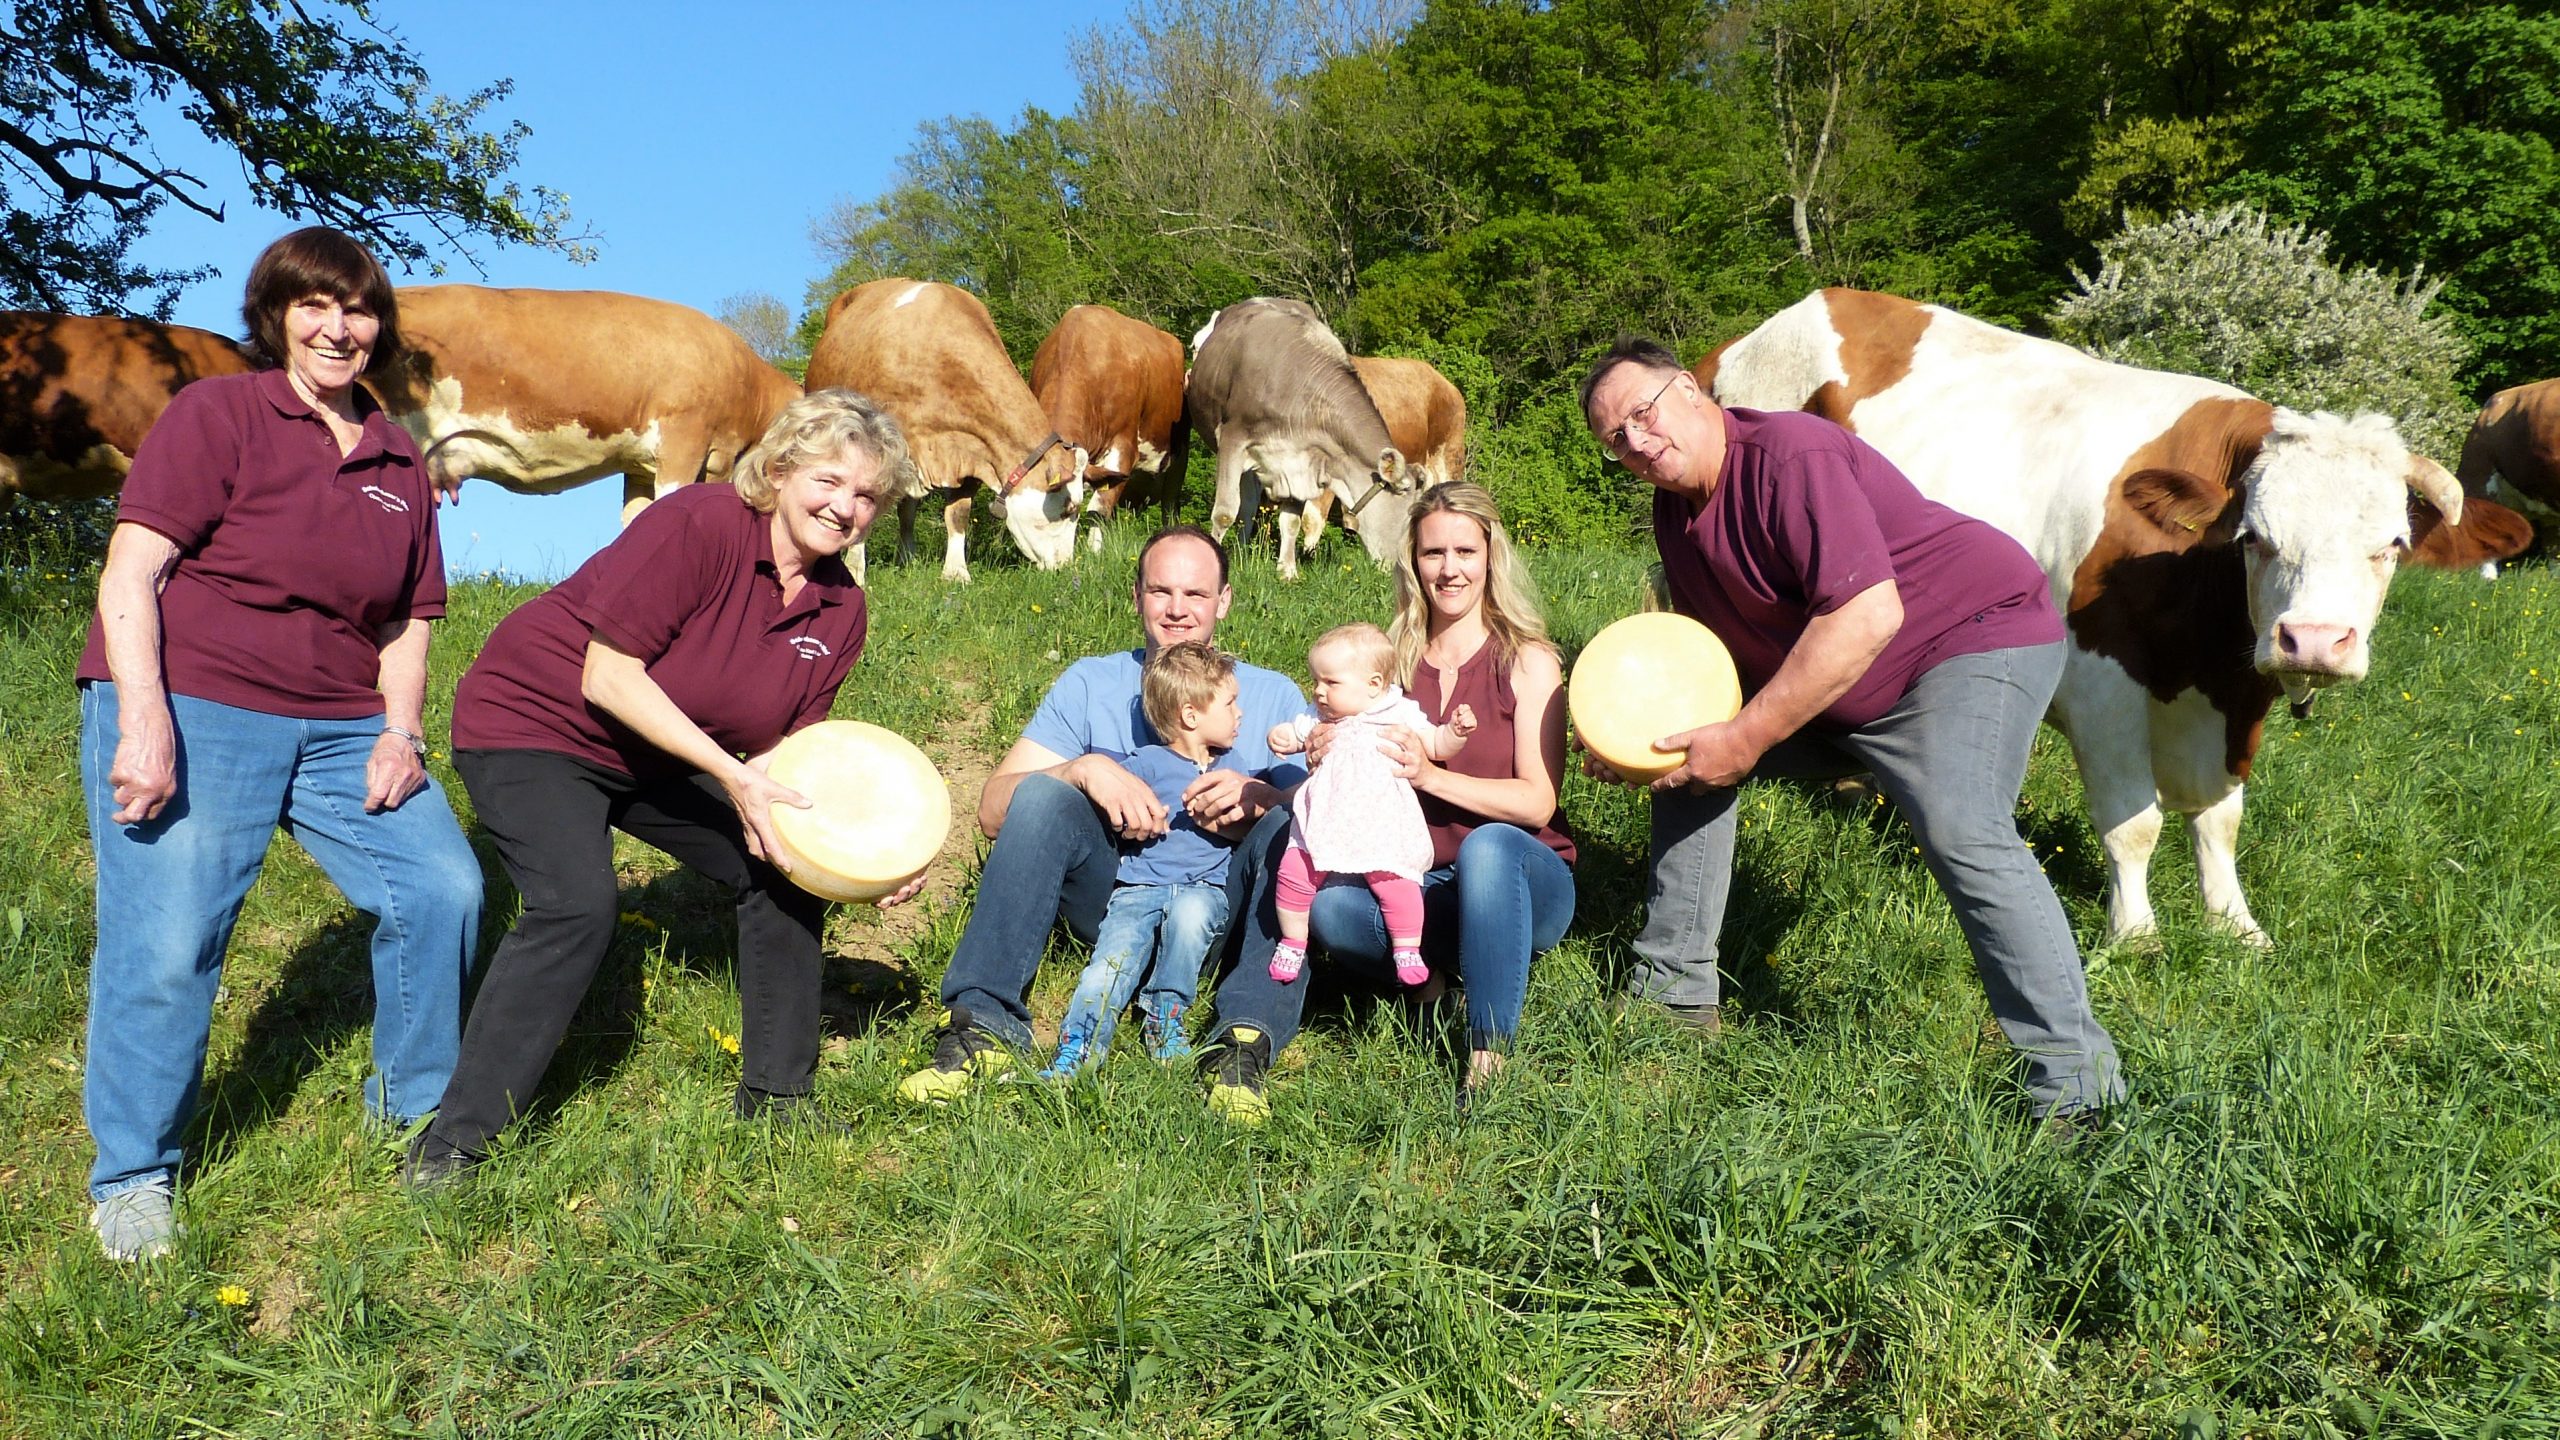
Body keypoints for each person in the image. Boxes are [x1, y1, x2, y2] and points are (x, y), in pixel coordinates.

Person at [1578, 337, 2124, 1123]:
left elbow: (1869, 613)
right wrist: (1639, 742)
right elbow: (1708, 662)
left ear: (1691, 391)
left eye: (1642, 413)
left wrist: (1747, 736)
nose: (1634, 441)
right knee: (1688, 760)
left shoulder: (1790, 457)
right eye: (1614, 438)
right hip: (1839, 678)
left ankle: (2076, 1085)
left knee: (1960, 823)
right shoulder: (1675, 514)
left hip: (1966, 637)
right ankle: (1671, 1003)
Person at [74, 226, 483, 1261]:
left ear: (377, 326)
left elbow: (408, 622)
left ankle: (413, 1109)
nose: (337, 328)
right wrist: (146, 719)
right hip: (197, 699)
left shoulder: (397, 453)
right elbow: (132, 573)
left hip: (345, 721)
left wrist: (401, 733)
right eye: (314, 306)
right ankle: (132, 1177)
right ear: (277, 315)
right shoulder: (221, 411)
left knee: (442, 889)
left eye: (356, 309)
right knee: (167, 946)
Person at [405, 389, 917, 1182]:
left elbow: (792, 756)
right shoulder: (701, 522)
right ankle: (454, 1144)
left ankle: (778, 1103)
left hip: (662, 755)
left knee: (779, 869)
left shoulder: (841, 609)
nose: (845, 507)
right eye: (830, 480)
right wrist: (728, 775)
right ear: (780, 469)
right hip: (537, 725)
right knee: (577, 904)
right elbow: (608, 678)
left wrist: (863, 861)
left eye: (867, 496)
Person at [1205, 482, 1579, 1120]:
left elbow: (1537, 804)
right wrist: (1318, 756)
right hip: (1420, 878)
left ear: (1492, 556)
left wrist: (1430, 775)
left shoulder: (1530, 660)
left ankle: (1486, 1057)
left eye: (1466, 550)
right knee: (1325, 909)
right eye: (1434, 553)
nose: (1450, 568)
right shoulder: (1391, 663)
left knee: (1489, 847)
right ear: (1413, 561)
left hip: (1520, 879)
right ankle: (1436, 986)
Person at [896, 525, 1307, 1104]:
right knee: (1040, 795)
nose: (1178, 610)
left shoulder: (1270, 695)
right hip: (1116, 898)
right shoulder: (1092, 683)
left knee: (1295, 827)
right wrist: (1079, 770)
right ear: (1135, 595)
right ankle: (981, 1025)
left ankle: (1243, 1043)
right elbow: (992, 811)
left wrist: (1259, 798)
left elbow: (1330, 817)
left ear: (1225, 600)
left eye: (1196, 595)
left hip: (1223, 910)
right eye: (1161, 591)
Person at [1039, 641, 1251, 1080]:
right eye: (1230, 703)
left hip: (1202, 888)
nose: (1239, 713)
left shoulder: (1234, 768)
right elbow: (1112, 804)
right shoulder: (1147, 763)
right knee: (1111, 961)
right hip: (1138, 887)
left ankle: (1164, 1015)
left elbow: (1249, 825)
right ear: (1191, 716)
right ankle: (1079, 1045)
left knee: (1192, 922)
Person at [1266, 622, 1477, 987]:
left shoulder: (1399, 712)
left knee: (1396, 881)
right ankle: (1293, 940)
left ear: (1374, 685)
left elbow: (1435, 744)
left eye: (1331, 683)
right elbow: (1294, 733)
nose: (1318, 691)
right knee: (1294, 873)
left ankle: (1407, 945)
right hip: (1324, 819)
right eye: (1316, 680)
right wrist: (1282, 737)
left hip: (1381, 822)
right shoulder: (1320, 718)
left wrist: (1454, 733)